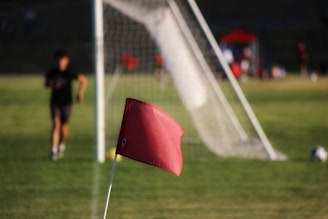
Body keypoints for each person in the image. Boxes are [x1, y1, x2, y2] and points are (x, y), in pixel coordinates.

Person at [44, 49, 87, 160]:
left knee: (63, 127)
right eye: (59, 59)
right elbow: (46, 83)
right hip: (55, 102)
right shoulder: (53, 72)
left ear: (67, 60)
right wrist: (53, 84)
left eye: (63, 59)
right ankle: (53, 151)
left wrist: (80, 93)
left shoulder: (69, 72)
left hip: (66, 103)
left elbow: (83, 80)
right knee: (56, 124)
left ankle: (61, 145)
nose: (60, 61)